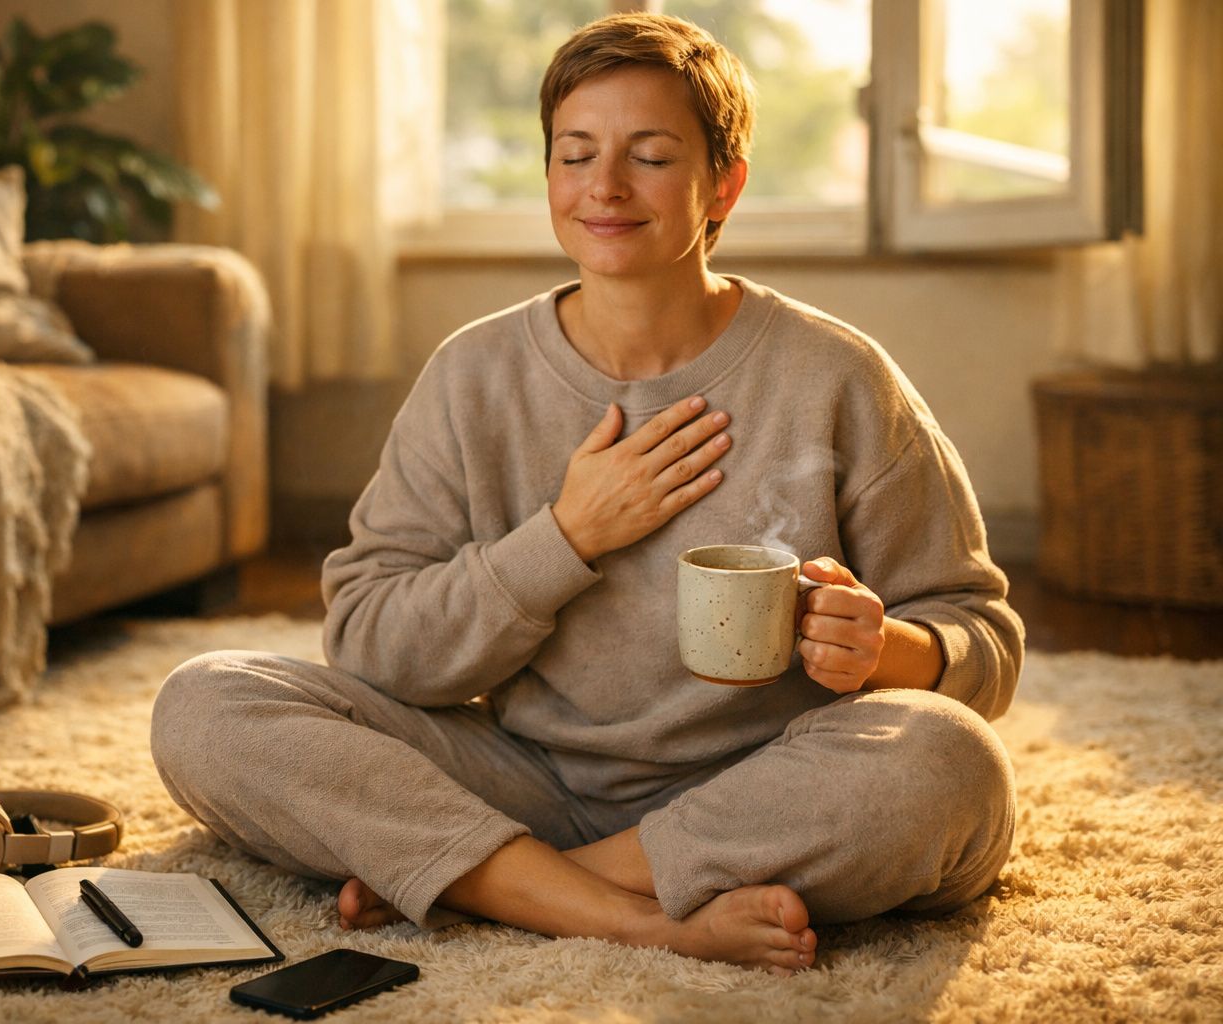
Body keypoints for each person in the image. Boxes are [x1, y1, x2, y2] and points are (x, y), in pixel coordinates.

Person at [151, 12, 1022, 975]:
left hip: (766, 791)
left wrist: (885, 648)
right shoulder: (473, 375)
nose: (604, 188)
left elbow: (984, 644)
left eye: (649, 156)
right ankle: (636, 916)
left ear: (721, 184)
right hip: (526, 779)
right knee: (208, 702)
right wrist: (563, 537)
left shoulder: (836, 378)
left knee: (949, 764)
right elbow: (369, 642)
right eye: (576, 156)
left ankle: (518, 887)